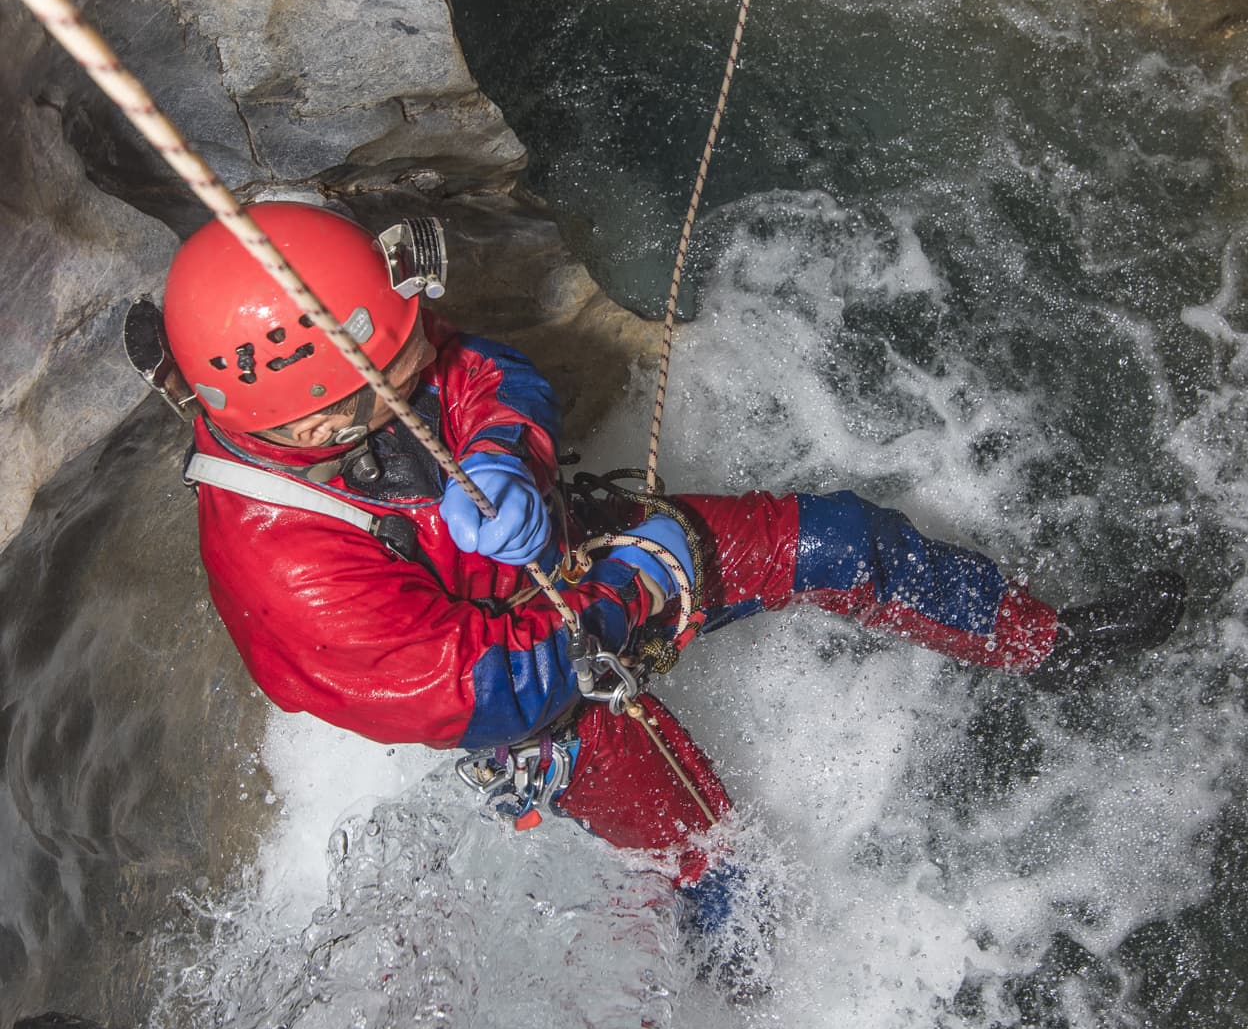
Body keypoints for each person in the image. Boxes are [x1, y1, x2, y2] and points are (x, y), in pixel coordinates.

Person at [160, 203, 1183, 969]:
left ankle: (1042, 643)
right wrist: (639, 587)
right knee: (709, 847)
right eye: (397, 355)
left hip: (573, 557)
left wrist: (507, 456)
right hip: (541, 709)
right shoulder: (287, 575)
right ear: (315, 423)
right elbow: (497, 691)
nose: (426, 347)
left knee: (837, 540)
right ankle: (740, 1005)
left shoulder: (347, 380)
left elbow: (484, 372)